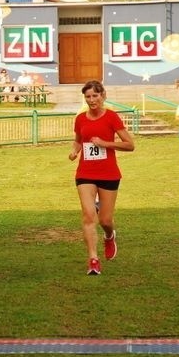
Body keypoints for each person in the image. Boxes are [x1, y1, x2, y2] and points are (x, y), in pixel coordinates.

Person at [68, 80, 135, 276]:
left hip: (109, 173)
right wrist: (74, 152)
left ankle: (109, 235)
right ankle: (93, 260)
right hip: (85, 173)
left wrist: (105, 143)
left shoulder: (112, 117)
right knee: (89, 216)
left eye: (95, 96)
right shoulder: (80, 119)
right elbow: (78, 141)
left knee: (105, 220)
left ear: (102, 95)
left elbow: (130, 145)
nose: (91, 100)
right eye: (88, 97)